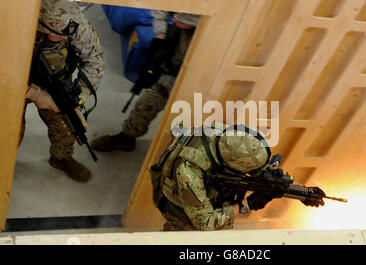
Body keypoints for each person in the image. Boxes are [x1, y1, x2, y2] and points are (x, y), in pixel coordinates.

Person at [150, 123, 326, 231]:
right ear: (230, 166)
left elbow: (264, 174)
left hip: (206, 193)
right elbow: (205, 222)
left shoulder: (230, 138)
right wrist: (247, 205)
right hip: (182, 212)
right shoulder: (189, 171)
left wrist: (301, 191)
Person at [90, 11, 200, 152]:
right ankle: (128, 137)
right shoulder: (178, 24)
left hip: (204, 56)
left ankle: (181, 151)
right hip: (177, 48)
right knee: (151, 99)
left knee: (189, 112)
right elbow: (161, 9)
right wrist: (160, 37)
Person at [21, 0, 105, 182]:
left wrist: (78, 97)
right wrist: (33, 94)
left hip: (56, 84)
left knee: (68, 126)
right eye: (59, 36)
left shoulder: (74, 25)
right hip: (14, 85)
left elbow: (95, 59)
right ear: (40, 26)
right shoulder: (17, 24)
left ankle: (61, 158)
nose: (66, 39)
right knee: (9, 130)